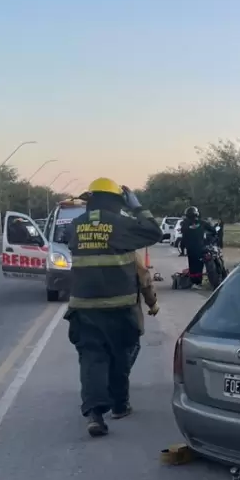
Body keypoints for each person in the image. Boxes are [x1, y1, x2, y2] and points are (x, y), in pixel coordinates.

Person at [66, 178, 163, 437]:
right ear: (117, 201)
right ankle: (120, 406)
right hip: (119, 306)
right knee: (120, 356)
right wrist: (138, 208)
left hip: (84, 307)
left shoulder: (75, 226)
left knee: (92, 358)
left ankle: (95, 415)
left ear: (91, 199)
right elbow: (154, 232)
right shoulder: (120, 224)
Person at [128, 251, 161, 370]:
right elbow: (144, 280)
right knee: (132, 346)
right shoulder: (128, 250)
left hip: (90, 315)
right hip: (125, 313)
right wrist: (153, 304)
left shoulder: (86, 249)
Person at [179, 206, 216, 287]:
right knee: (199, 265)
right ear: (197, 214)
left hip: (190, 249)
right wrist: (209, 240)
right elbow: (213, 231)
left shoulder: (185, 224)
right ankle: (199, 282)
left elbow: (183, 238)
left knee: (193, 266)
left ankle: (195, 282)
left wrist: (182, 250)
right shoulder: (202, 223)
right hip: (201, 248)